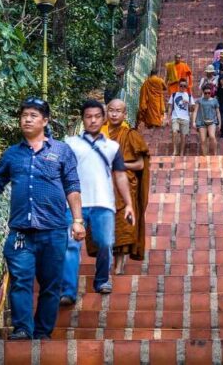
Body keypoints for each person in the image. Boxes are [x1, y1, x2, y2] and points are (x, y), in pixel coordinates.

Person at [0, 97, 83, 341]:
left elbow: (72, 186)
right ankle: (22, 329)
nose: (27, 119)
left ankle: (42, 333)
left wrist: (78, 220)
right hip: (21, 232)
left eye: (33, 115)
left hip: (53, 230)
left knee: (51, 285)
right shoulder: (12, 154)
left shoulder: (61, 151)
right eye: (24, 115)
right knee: (20, 281)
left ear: (45, 121)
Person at [60, 100, 135, 303]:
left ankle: (102, 280)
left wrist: (128, 203)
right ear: (82, 119)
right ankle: (68, 291)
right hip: (74, 204)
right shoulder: (70, 144)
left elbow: (120, 175)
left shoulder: (112, 146)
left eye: (96, 116)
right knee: (70, 245)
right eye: (88, 117)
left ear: (103, 119)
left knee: (105, 242)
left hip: (103, 203)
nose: (93, 120)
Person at [104, 99, 150, 275]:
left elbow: (140, 164)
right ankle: (107, 262)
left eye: (118, 111)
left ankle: (119, 265)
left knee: (123, 224)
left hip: (125, 187)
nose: (114, 114)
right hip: (104, 185)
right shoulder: (99, 134)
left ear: (125, 114)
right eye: (111, 110)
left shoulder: (130, 135)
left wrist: (119, 165)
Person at [167, 79, 194, 156]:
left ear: (186, 87)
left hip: (185, 118)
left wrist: (188, 103)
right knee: (175, 132)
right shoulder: (174, 95)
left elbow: (193, 109)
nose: (182, 87)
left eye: (184, 86)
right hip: (175, 117)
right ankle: (175, 151)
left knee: (183, 136)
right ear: (178, 86)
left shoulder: (189, 96)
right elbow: (170, 107)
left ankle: (181, 152)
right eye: (181, 85)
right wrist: (168, 118)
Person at [192, 83, 221, 156]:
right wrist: (193, 122)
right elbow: (195, 111)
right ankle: (205, 155)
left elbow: (218, 112)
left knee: (212, 136)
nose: (207, 94)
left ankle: (215, 153)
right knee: (203, 140)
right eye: (205, 93)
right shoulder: (199, 101)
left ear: (211, 92)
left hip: (212, 121)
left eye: (209, 93)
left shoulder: (214, 100)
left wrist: (220, 123)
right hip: (201, 121)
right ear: (203, 92)